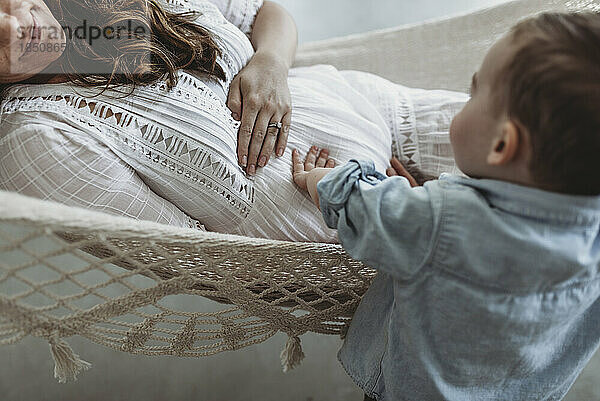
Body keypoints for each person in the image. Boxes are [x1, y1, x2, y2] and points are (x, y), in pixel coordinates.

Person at [292, 11, 600, 401]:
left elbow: (361, 208)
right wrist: (423, 197)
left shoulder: (443, 219)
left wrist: (319, 180)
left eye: (473, 95)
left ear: (502, 145)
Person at [0, 0, 465, 242]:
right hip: (353, 227)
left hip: (374, 107)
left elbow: (267, 13)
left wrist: (272, 63)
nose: (12, 26)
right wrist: (386, 210)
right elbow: (192, 252)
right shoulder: (36, 137)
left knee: (533, 136)